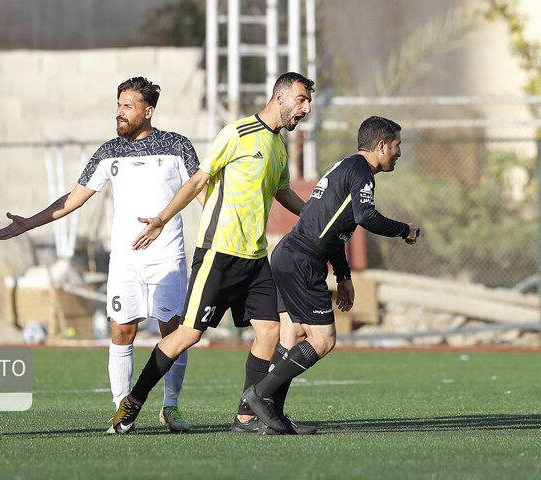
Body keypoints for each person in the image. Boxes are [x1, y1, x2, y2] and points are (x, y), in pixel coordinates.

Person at [0, 77, 202, 433]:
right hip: (124, 260)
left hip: (167, 257)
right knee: (122, 331)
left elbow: (201, 191)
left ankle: (171, 406)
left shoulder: (177, 146)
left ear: (147, 111)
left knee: (173, 332)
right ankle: (123, 409)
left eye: (128, 107)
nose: (119, 113)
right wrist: (29, 222)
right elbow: (73, 198)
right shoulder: (108, 152)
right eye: (118, 105)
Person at [111, 72, 312, 435]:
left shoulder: (278, 147)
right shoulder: (236, 133)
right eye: (301, 99)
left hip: (255, 258)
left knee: (270, 332)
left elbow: (283, 193)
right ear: (280, 98)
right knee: (188, 335)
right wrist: (161, 219)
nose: (306, 108)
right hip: (219, 254)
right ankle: (132, 404)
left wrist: (316, 216)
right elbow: (197, 181)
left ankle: (245, 417)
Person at [249, 116, 420, 434]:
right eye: (397, 146)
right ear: (381, 146)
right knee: (324, 340)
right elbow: (365, 216)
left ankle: (273, 420)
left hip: (289, 255)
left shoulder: (347, 168)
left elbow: (335, 230)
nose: (399, 152)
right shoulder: (360, 173)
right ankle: (259, 396)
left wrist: (343, 276)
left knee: (293, 337)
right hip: (302, 261)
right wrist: (405, 229)